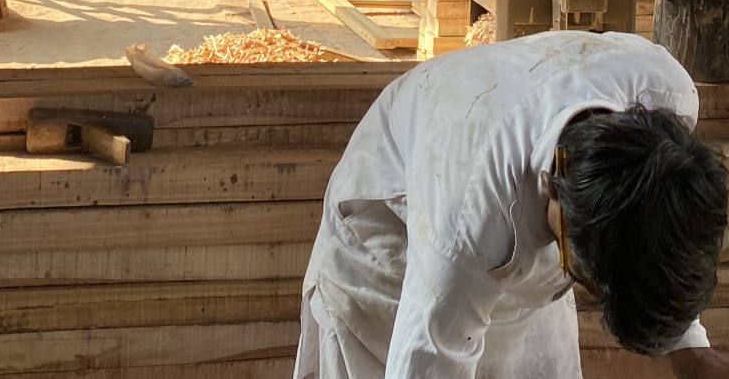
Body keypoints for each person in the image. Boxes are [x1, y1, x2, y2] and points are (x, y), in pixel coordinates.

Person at [295, 30, 729, 379]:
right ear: (551, 188)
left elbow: (656, 229)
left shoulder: (666, 94)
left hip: (502, 230)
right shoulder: (464, 220)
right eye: (582, 273)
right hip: (391, 246)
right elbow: (427, 358)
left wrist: (689, 348)